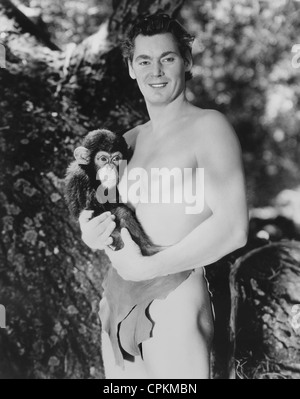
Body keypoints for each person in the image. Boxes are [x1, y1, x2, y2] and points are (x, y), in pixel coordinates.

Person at [79, 14, 248, 379]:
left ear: (186, 62)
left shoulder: (209, 127)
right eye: (144, 60)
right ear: (130, 68)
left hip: (174, 291)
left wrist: (150, 267)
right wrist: (89, 231)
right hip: (118, 297)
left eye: (167, 58)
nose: (155, 71)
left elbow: (234, 228)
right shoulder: (125, 141)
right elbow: (100, 210)